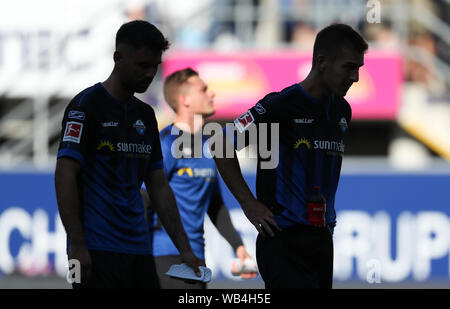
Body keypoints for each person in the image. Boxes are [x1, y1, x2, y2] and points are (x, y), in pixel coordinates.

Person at [211, 24, 368, 289]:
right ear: (322, 62)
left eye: (359, 69)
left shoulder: (342, 110)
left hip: (321, 240)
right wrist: (249, 203)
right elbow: (220, 143)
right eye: (349, 67)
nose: (355, 77)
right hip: (283, 239)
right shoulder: (280, 106)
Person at [54, 20, 204, 289]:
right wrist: (76, 244)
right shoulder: (86, 106)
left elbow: (159, 187)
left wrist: (186, 250)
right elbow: (65, 172)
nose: (149, 74)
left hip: (138, 249)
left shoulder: (145, 116)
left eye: (155, 66)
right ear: (118, 58)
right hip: (93, 249)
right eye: (143, 65)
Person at [141, 68, 257, 289]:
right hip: (164, 257)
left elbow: (214, 204)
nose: (211, 94)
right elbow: (145, 197)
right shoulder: (166, 143)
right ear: (184, 100)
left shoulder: (211, 144)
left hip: (195, 258)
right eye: (203, 89)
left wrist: (238, 247)